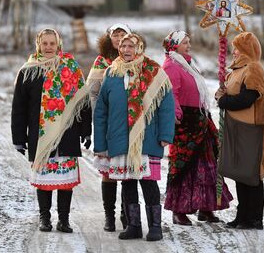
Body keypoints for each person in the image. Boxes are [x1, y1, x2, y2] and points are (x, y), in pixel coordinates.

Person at [93, 33, 175, 242]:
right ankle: (134, 226)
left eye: (131, 46)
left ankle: (155, 226)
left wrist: (166, 134)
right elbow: (101, 111)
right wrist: (101, 143)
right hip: (120, 138)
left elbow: (166, 106)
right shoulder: (112, 73)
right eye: (123, 46)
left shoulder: (154, 71)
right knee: (127, 183)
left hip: (147, 138)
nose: (127, 50)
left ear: (139, 48)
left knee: (148, 183)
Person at [11, 28, 92, 234]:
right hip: (41, 134)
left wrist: (85, 130)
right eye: (44, 43)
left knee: (65, 182)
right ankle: (44, 218)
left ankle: (63, 220)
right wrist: (19, 138)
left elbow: (82, 102)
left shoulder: (71, 68)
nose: (48, 47)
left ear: (58, 45)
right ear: (38, 44)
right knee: (44, 180)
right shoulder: (28, 71)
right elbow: (19, 107)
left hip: (67, 133)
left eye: (52, 44)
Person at [162, 30, 232, 225]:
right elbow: (170, 94)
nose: (189, 45)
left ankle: (206, 208)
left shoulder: (187, 65)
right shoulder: (171, 66)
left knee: (206, 166)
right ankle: (178, 210)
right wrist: (176, 115)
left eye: (189, 42)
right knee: (184, 167)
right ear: (174, 45)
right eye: (185, 42)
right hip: (185, 122)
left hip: (200, 120)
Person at [215, 31, 264, 230]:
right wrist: (221, 94)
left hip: (251, 129)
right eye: (233, 49)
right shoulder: (237, 71)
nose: (234, 52)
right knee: (241, 174)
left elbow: (247, 98)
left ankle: (254, 218)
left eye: (237, 49)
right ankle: (242, 216)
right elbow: (231, 95)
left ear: (247, 50)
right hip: (237, 128)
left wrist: (224, 101)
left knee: (251, 176)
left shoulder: (253, 68)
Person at [87, 23, 131, 232]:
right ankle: (109, 216)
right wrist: (100, 116)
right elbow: (92, 92)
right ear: (109, 37)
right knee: (108, 171)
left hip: (130, 124)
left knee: (127, 169)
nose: (119, 37)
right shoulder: (101, 62)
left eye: (123, 34)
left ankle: (126, 214)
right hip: (107, 124)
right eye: (116, 34)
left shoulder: (135, 60)